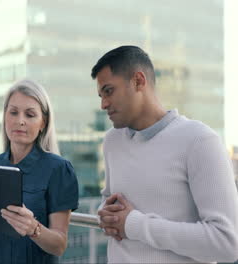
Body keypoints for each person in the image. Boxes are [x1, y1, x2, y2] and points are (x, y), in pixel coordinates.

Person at [93, 45, 238, 263]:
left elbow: (227, 243)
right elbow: (109, 201)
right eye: (100, 95)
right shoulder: (112, 141)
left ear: (138, 81)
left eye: (109, 91)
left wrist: (135, 225)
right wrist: (105, 212)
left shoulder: (200, 141)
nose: (103, 104)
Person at [0, 79, 79, 263]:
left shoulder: (59, 169)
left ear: (43, 123)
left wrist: (33, 228)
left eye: (30, 115)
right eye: (13, 112)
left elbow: (59, 245)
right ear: (5, 116)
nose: (20, 121)